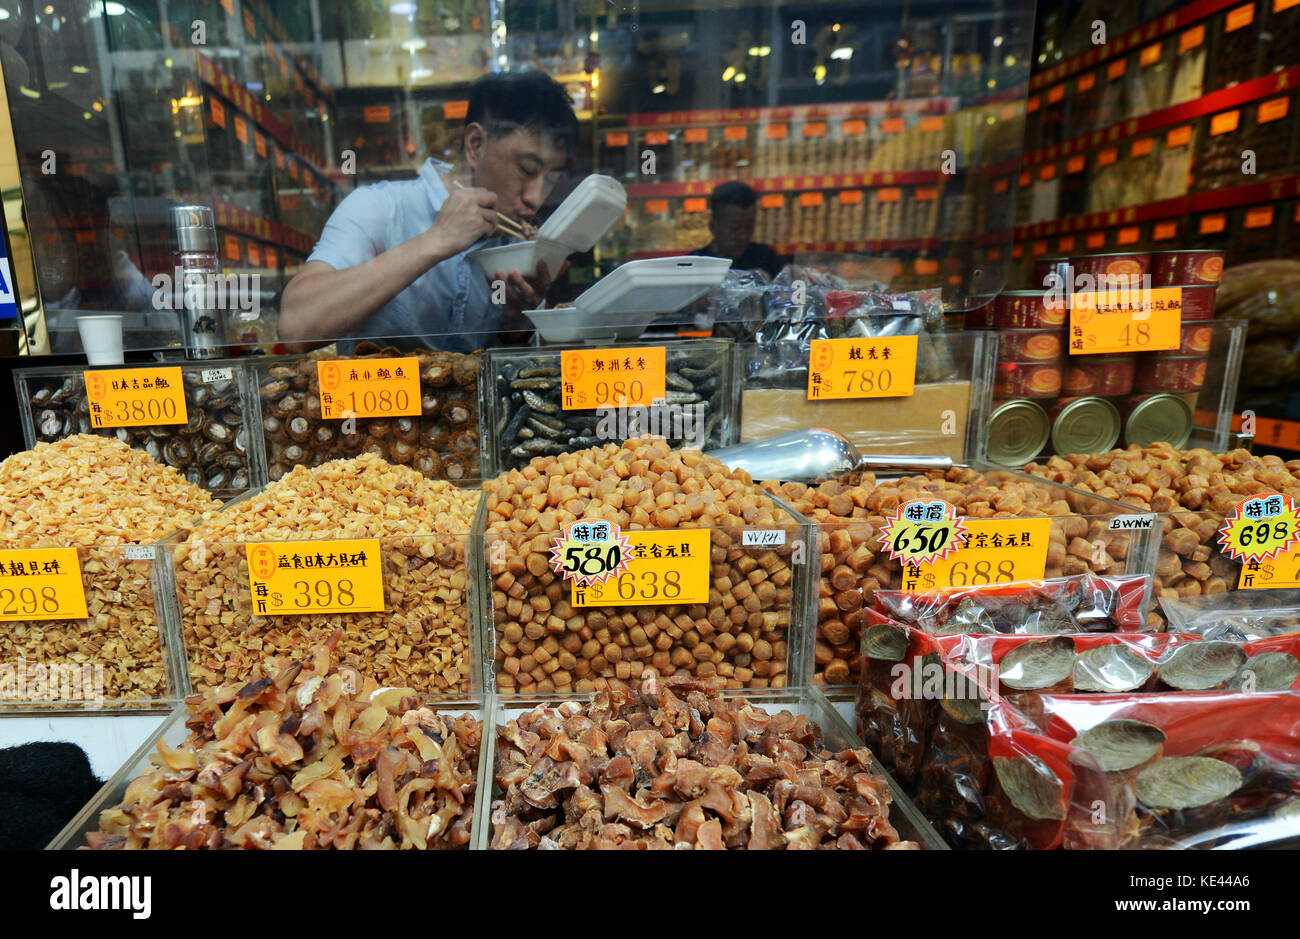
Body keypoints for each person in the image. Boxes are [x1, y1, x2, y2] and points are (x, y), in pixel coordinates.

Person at [278, 72, 579, 352]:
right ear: (476, 145)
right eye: (527, 169)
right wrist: (436, 240)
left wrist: (516, 323)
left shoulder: (515, 247)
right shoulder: (381, 208)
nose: (535, 198)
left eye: (550, 179)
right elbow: (295, 327)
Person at [693, 180, 785, 279]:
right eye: (735, 228)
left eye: (749, 227)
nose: (743, 236)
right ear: (713, 227)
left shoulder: (766, 259)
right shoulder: (694, 265)